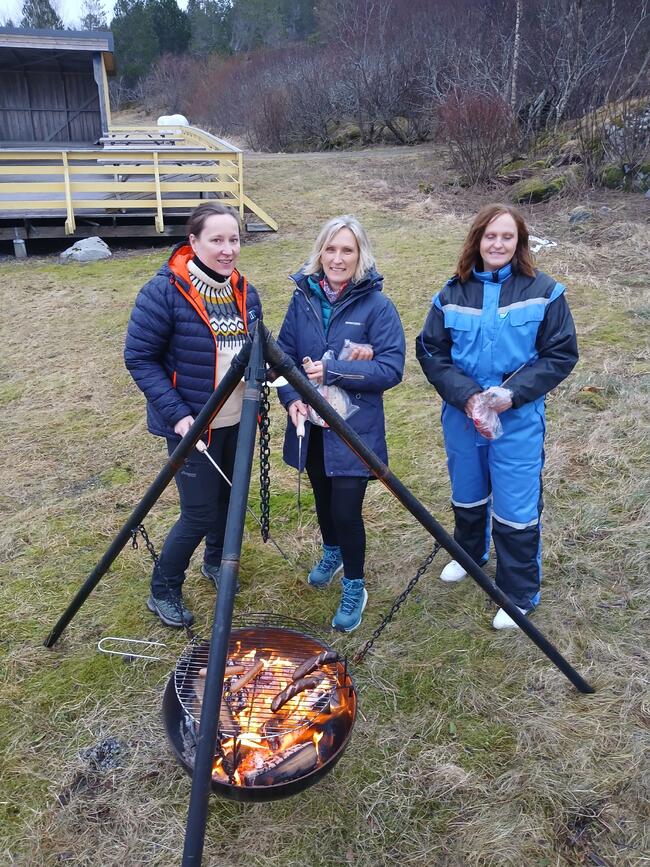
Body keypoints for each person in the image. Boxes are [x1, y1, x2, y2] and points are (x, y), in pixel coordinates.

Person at [416, 203, 578, 630]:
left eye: (507, 237)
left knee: (515, 504)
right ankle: (470, 555)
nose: (498, 244)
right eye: (491, 236)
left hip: (517, 418)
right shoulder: (452, 293)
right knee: (467, 490)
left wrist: (513, 393)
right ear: (477, 240)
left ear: (519, 242)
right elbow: (431, 352)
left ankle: (519, 593)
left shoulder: (545, 291)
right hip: (462, 415)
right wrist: (467, 396)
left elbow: (560, 354)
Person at [124, 203, 262, 628]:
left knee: (230, 498)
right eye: (217, 240)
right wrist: (180, 416)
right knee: (199, 511)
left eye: (234, 239)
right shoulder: (165, 290)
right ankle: (163, 587)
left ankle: (217, 562)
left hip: (238, 420)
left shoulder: (244, 291)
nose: (227, 250)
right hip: (191, 423)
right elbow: (140, 357)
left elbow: (255, 352)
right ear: (194, 242)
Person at [277, 215, 405, 633]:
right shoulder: (304, 299)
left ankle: (355, 584)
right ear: (320, 252)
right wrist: (292, 398)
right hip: (311, 425)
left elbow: (391, 368)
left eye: (346, 250)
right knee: (322, 496)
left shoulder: (378, 306)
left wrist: (333, 371)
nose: (337, 258)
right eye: (330, 249)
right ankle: (330, 551)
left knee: (347, 509)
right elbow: (283, 355)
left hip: (354, 429)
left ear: (360, 255)